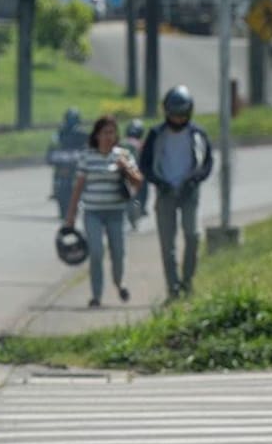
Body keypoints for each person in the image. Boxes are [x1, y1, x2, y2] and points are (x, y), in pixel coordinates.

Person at [139, 85, 214, 300]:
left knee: (193, 235)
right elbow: (145, 165)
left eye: (183, 114)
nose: (179, 119)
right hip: (165, 193)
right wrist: (159, 183)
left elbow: (207, 163)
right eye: (174, 114)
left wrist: (194, 180)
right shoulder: (156, 134)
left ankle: (187, 281)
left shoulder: (197, 134)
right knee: (167, 243)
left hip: (189, 192)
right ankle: (172, 287)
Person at [64, 115, 143, 308]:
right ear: (97, 135)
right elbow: (78, 187)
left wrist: (126, 169)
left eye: (112, 132)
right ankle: (96, 295)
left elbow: (138, 182)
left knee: (118, 252)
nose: (109, 137)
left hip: (116, 211)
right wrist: (71, 215)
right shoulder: (87, 156)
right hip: (93, 212)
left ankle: (119, 283)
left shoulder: (123, 154)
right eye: (105, 132)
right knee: (97, 252)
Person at [122, 118, 149, 228]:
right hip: (136, 174)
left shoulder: (122, 142)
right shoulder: (141, 144)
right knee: (142, 191)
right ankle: (141, 209)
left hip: (123, 173)